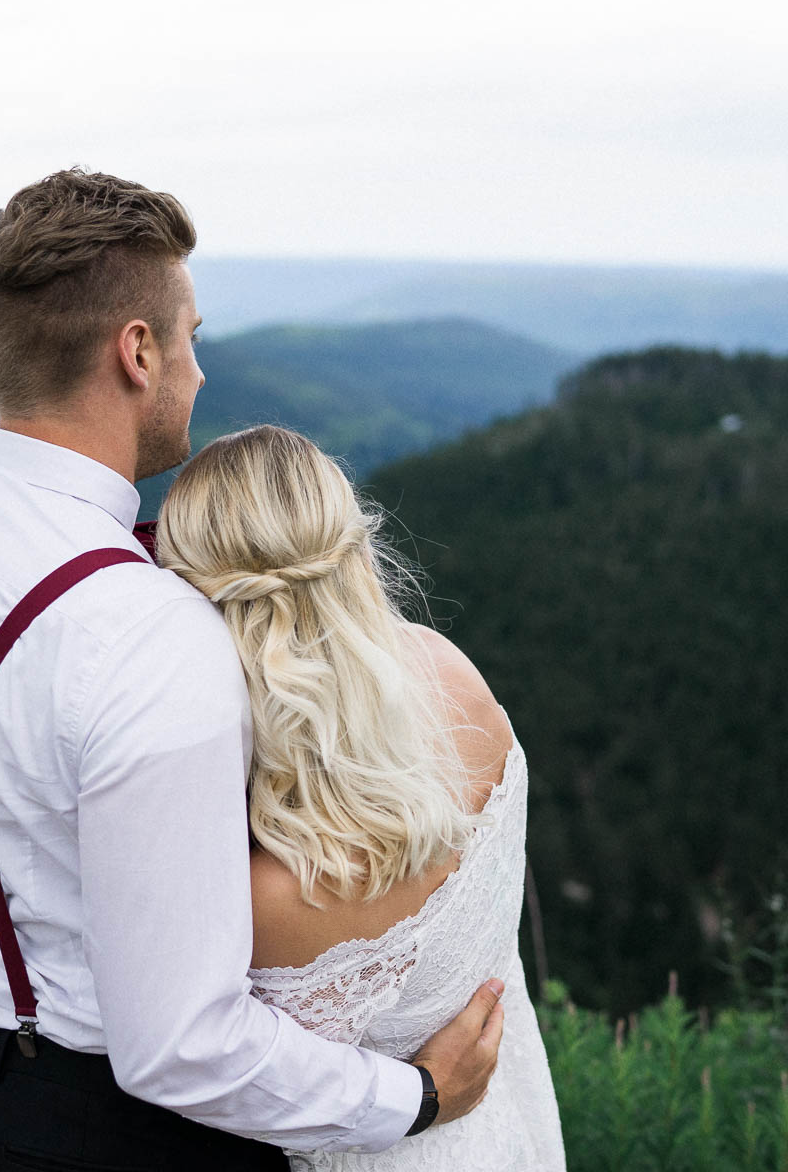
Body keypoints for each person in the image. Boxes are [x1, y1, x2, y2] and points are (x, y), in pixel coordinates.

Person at [0, 169, 505, 1170]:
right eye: (189, 336)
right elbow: (183, 1044)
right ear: (137, 352)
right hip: (117, 1135)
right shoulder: (155, 630)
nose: (196, 370)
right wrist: (414, 1094)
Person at [156, 426, 566, 1171]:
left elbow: (210, 1080)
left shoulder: (266, 891)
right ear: (356, 550)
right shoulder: (454, 677)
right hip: (509, 1132)